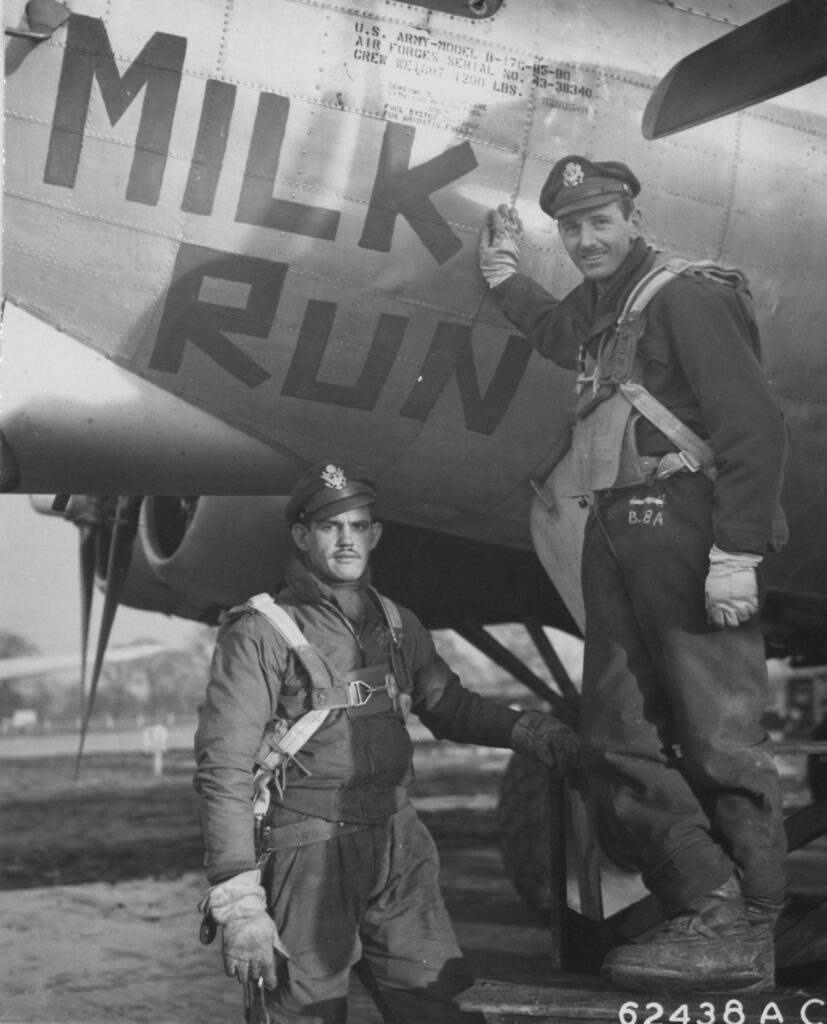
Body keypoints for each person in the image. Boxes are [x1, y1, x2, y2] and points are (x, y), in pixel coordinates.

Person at [478, 156, 788, 994]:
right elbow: (554, 332)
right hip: (613, 525)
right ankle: (707, 899)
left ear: (632, 216)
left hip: (687, 525)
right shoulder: (605, 303)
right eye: (569, 228)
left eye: (598, 221)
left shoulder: (688, 294)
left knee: (719, 734)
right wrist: (504, 274)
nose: (584, 240)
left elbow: (753, 424)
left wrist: (735, 555)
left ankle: (751, 923)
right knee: (616, 733)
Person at [193, 460, 580, 1023]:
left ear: (374, 535)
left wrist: (527, 729)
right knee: (306, 1014)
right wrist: (239, 898)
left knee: (439, 1005)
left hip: (400, 851)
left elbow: (451, 706)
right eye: (330, 527)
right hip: (309, 855)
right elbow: (222, 766)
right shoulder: (260, 633)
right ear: (302, 536)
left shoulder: (398, 624)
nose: (346, 540)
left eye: (357, 526)